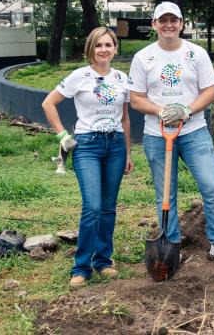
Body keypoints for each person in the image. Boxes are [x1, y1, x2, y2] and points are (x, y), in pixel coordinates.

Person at [128, 1, 214, 267]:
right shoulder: (143, 57)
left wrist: (186, 110)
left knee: (211, 186)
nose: (168, 25)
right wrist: (160, 111)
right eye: (162, 20)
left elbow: (210, 91)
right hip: (157, 134)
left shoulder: (196, 54)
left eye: (173, 20)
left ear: (181, 24)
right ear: (154, 24)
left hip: (194, 131)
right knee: (165, 193)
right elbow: (135, 99)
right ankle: (172, 245)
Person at [42, 27, 134, 288]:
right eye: (98, 45)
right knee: (92, 206)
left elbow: (125, 118)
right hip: (87, 146)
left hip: (115, 145)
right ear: (90, 49)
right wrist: (62, 136)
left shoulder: (121, 78)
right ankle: (81, 267)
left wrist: (127, 151)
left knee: (108, 207)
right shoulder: (79, 76)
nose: (104, 50)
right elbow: (48, 103)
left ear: (115, 48)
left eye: (109, 45)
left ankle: (103, 260)